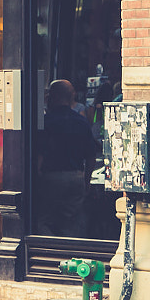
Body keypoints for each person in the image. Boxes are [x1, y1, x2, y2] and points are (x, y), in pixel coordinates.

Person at [34, 79, 93, 236]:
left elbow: (39, 152)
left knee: (43, 220)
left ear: (52, 97)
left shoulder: (45, 123)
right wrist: (86, 180)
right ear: (70, 97)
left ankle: (49, 254)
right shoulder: (82, 122)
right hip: (76, 177)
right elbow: (91, 155)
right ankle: (69, 254)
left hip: (51, 177)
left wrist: (38, 174)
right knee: (72, 222)